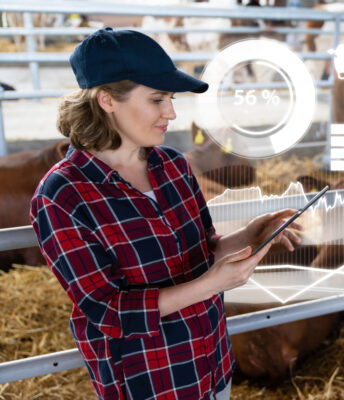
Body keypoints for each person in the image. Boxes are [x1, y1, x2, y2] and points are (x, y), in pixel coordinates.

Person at [29, 27, 301, 400]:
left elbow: (201, 252)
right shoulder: (62, 196)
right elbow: (108, 311)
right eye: (157, 99)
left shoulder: (173, 166)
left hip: (212, 362)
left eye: (170, 98)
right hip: (152, 381)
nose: (171, 113)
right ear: (107, 100)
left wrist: (249, 236)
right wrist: (212, 285)